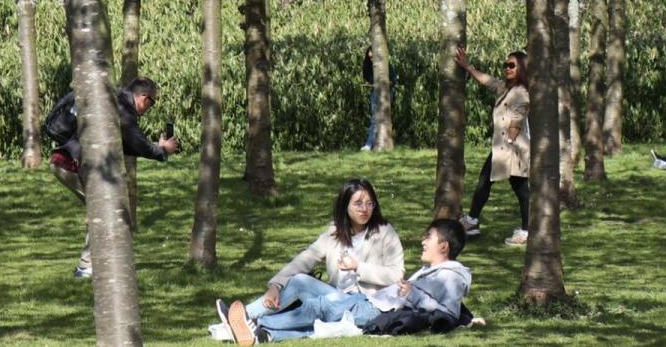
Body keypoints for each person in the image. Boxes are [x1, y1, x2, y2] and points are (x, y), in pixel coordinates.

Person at [224, 219, 471, 344]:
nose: (422, 241)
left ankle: (254, 325)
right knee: (303, 286)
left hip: (377, 308)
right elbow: (307, 257)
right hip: (371, 302)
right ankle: (256, 328)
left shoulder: (450, 276)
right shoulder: (434, 271)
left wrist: (413, 294)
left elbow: (447, 313)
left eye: (429, 237)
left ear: (444, 245)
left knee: (319, 308)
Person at [212, 178, 404, 336]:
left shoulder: (384, 232)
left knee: (316, 307)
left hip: (365, 302)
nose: (365, 209)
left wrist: (359, 267)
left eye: (369, 203)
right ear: (345, 206)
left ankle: (250, 325)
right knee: (298, 281)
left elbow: (397, 274)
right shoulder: (335, 232)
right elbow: (306, 258)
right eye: (358, 203)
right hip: (337, 296)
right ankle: (241, 317)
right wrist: (275, 285)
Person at [48, 76, 178, 278]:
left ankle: (94, 262)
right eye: (152, 102)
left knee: (102, 208)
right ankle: (86, 265)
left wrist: (158, 147)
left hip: (64, 159)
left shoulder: (113, 99)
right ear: (143, 97)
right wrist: (162, 151)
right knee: (104, 208)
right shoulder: (124, 109)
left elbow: (125, 143)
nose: (150, 108)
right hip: (71, 163)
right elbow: (138, 142)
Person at [453, 47, 531, 246]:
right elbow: (488, 81)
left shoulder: (521, 93)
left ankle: (527, 231)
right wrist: (468, 67)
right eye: (505, 65)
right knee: (486, 181)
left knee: (521, 190)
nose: (507, 68)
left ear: (522, 68)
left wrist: (510, 142)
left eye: (512, 65)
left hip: (513, 148)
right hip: (503, 147)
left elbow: (517, 119)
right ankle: (472, 221)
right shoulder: (507, 89)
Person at [360, 47, 397, 152]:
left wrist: (388, 83)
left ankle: (374, 144)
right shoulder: (367, 67)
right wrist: (370, 84)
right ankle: (372, 144)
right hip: (374, 93)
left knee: (383, 118)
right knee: (374, 118)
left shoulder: (386, 65)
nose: (371, 59)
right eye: (369, 57)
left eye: (373, 57)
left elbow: (394, 79)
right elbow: (367, 79)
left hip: (387, 93)